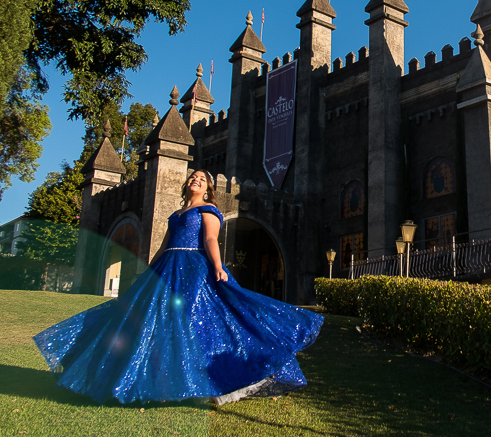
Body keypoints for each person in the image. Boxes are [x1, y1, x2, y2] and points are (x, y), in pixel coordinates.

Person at [33, 169, 323, 404]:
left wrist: (219, 267)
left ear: (208, 189)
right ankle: (141, 377)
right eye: (192, 177)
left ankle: (214, 376)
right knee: (146, 321)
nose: (195, 180)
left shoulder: (208, 210)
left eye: (201, 179)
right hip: (165, 269)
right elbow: (162, 247)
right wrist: (147, 272)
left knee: (199, 321)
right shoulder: (176, 215)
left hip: (193, 269)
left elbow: (210, 240)